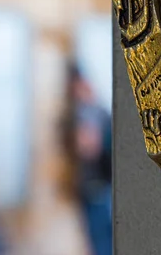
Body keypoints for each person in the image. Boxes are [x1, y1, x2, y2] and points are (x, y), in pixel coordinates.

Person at [68, 65, 112, 255]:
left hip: (97, 185)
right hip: (95, 185)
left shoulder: (89, 112)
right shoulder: (99, 110)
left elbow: (89, 148)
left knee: (101, 240)